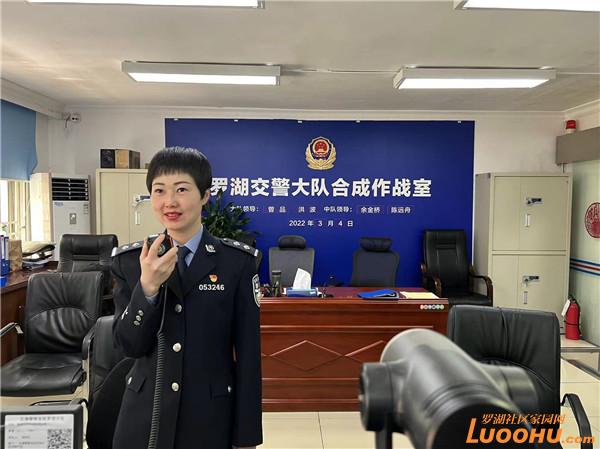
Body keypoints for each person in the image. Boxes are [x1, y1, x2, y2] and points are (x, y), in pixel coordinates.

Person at [111, 147, 262, 449]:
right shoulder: (131, 263)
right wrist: (147, 288)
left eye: (181, 189)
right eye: (159, 190)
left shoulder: (237, 263)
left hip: (209, 418)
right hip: (145, 418)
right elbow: (128, 346)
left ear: (205, 195)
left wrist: (246, 437)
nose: (169, 202)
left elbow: (248, 357)